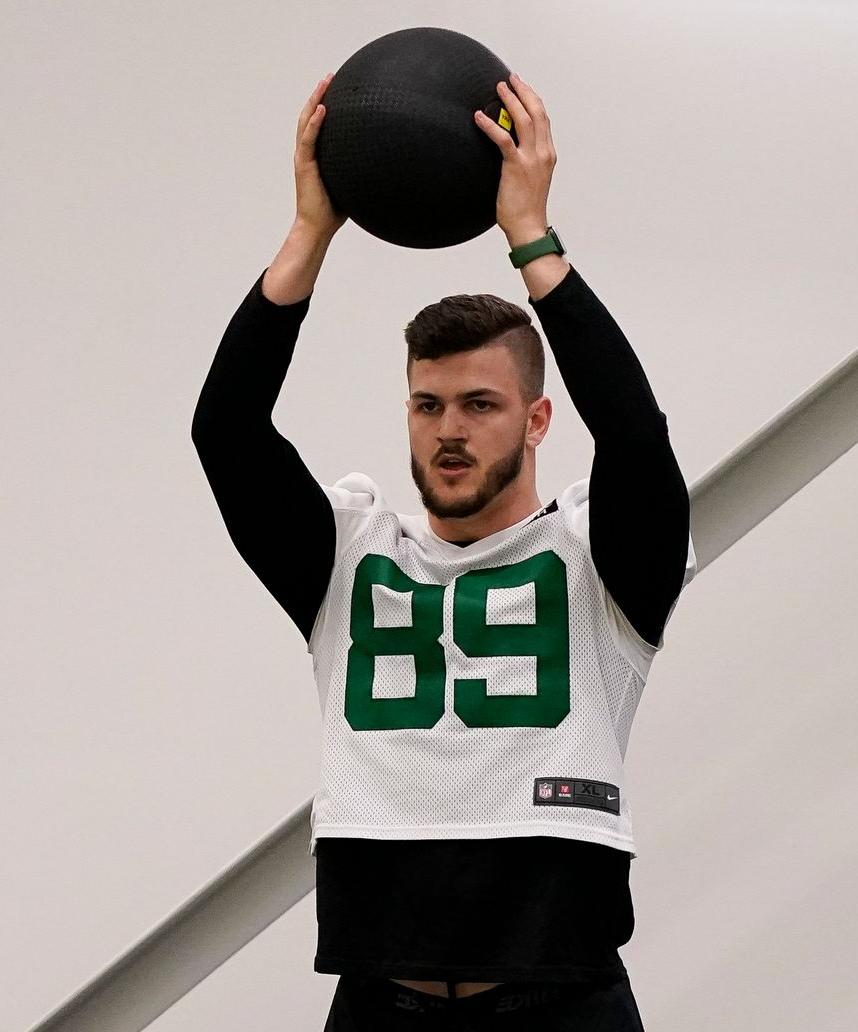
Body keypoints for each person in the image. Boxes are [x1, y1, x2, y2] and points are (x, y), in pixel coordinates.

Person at [192, 71, 695, 1031]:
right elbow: (225, 430)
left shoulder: (604, 566)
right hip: (383, 1003)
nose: (448, 431)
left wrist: (532, 241)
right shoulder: (344, 556)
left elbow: (638, 440)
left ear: (539, 418)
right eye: (427, 405)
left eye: (479, 404)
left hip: (566, 1001)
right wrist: (311, 233)